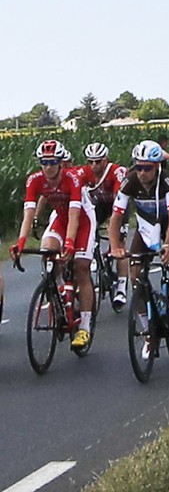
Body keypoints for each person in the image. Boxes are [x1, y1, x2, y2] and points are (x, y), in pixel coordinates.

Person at [13, 140, 96, 350]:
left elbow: (75, 216)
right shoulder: (34, 180)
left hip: (83, 221)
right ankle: (60, 291)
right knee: (47, 251)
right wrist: (21, 242)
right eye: (44, 162)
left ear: (60, 163)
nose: (48, 166)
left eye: (52, 162)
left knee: (81, 267)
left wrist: (69, 244)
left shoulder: (72, 179)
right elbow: (28, 214)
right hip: (60, 219)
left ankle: (84, 326)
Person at [108, 141, 169, 318]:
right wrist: (114, 246)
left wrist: (167, 244)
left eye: (147, 168)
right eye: (138, 167)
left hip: (168, 220)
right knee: (135, 275)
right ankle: (147, 332)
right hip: (146, 224)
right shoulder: (129, 180)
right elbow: (116, 217)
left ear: (157, 166)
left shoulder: (167, 181)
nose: (142, 172)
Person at [82, 141, 131, 308]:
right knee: (87, 227)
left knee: (118, 243)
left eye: (98, 161)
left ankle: (122, 288)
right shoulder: (85, 172)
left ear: (105, 160)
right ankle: (94, 254)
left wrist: (114, 225)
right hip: (100, 205)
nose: (94, 165)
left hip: (118, 205)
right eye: (90, 161)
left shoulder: (116, 172)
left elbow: (119, 198)